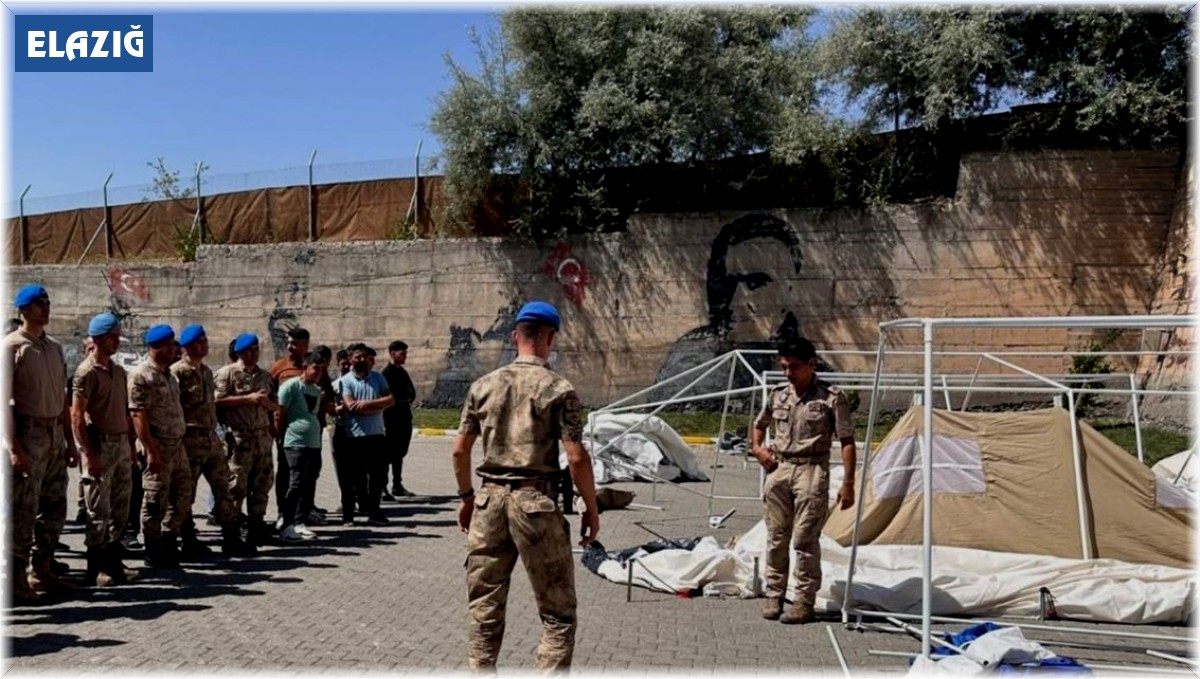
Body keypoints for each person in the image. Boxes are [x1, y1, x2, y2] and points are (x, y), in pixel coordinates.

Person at [452, 300, 600, 671]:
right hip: (536, 502)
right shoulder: (558, 388)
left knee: (484, 608)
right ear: (551, 337)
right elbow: (577, 457)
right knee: (558, 614)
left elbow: (459, 450)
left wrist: (468, 497)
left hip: (489, 501)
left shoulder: (483, 386)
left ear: (516, 335)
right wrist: (591, 508)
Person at [750, 336, 856, 624]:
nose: (788, 373)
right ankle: (774, 594)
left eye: (794, 367)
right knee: (775, 537)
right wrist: (759, 449)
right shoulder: (779, 394)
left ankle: (804, 601)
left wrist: (848, 483)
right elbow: (759, 426)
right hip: (780, 469)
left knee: (805, 540)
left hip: (812, 470)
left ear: (812, 363)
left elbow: (847, 440)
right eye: (784, 366)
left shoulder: (831, 398)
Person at [4, 284, 79, 603]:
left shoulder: (54, 347)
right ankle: (15, 579)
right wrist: (13, 447)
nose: (45, 309)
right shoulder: (12, 347)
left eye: (47, 303)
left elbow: (64, 399)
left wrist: (71, 443)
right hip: (28, 432)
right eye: (38, 304)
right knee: (23, 510)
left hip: (54, 435)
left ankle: (43, 569)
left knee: (54, 507)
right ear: (23, 310)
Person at [171, 324, 254, 558]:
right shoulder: (177, 373)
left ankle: (231, 537)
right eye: (199, 342)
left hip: (211, 439)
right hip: (189, 441)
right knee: (186, 493)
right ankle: (188, 539)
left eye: (205, 340)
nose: (204, 345)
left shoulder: (207, 372)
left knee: (224, 488)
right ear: (187, 347)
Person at [70, 312, 140, 586]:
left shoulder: (119, 371)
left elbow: (124, 411)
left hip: (121, 444)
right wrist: (87, 454)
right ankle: (94, 567)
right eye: (112, 337)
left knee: (120, 509)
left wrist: (132, 446)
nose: (117, 342)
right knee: (97, 511)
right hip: (100, 446)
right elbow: (76, 416)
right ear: (98, 339)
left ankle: (113, 561)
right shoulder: (86, 372)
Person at [128, 324, 193, 569]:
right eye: (167, 345)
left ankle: (168, 539)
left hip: (177, 446)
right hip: (158, 447)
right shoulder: (142, 375)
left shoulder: (170, 375)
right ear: (154, 347)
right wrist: (151, 450)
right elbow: (137, 415)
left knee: (183, 496)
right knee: (155, 500)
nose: (172, 349)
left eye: (173, 344)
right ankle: (153, 548)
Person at [214, 333, 280, 548]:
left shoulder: (265, 376)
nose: (254, 354)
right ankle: (231, 532)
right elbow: (218, 401)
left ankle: (256, 528)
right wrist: (247, 399)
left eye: (256, 349)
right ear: (240, 352)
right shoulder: (227, 373)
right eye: (250, 350)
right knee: (236, 487)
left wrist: (266, 404)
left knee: (261, 486)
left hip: (262, 438)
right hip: (239, 439)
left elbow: (275, 406)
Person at [334, 344, 393, 526]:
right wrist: (377, 407)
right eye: (358, 357)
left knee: (378, 476)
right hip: (354, 437)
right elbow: (351, 406)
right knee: (352, 478)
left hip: (376, 435)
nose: (362, 360)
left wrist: (367, 405)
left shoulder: (377, 377)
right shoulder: (345, 381)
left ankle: (374, 511)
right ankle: (348, 515)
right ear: (350, 359)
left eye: (364, 357)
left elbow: (390, 399)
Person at [275, 351, 326, 541]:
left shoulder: (315, 391)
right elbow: (280, 414)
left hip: (313, 443)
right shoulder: (291, 386)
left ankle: (300, 522)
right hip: (294, 443)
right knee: (295, 484)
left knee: (309, 483)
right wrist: (280, 438)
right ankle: (286, 523)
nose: (319, 372)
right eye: (316, 368)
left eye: (322, 369)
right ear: (305, 368)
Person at [270, 328, 309, 528]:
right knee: (286, 474)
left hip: (311, 434)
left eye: (294, 343)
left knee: (308, 475)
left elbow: (326, 394)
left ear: (305, 345)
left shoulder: (312, 367)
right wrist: (275, 429)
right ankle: (282, 513)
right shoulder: (279, 368)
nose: (289, 347)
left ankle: (302, 514)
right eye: (288, 342)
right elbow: (271, 400)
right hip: (287, 433)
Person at [381, 340, 417, 499]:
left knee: (400, 452)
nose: (404, 357)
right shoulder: (386, 374)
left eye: (405, 354)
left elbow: (411, 393)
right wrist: (402, 396)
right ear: (392, 353)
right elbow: (391, 395)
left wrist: (403, 396)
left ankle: (397, 484)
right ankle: (382, 486)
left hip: (404, 416)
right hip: (391, 419)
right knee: (388, 454)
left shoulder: (402, 372)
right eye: (402, 354)